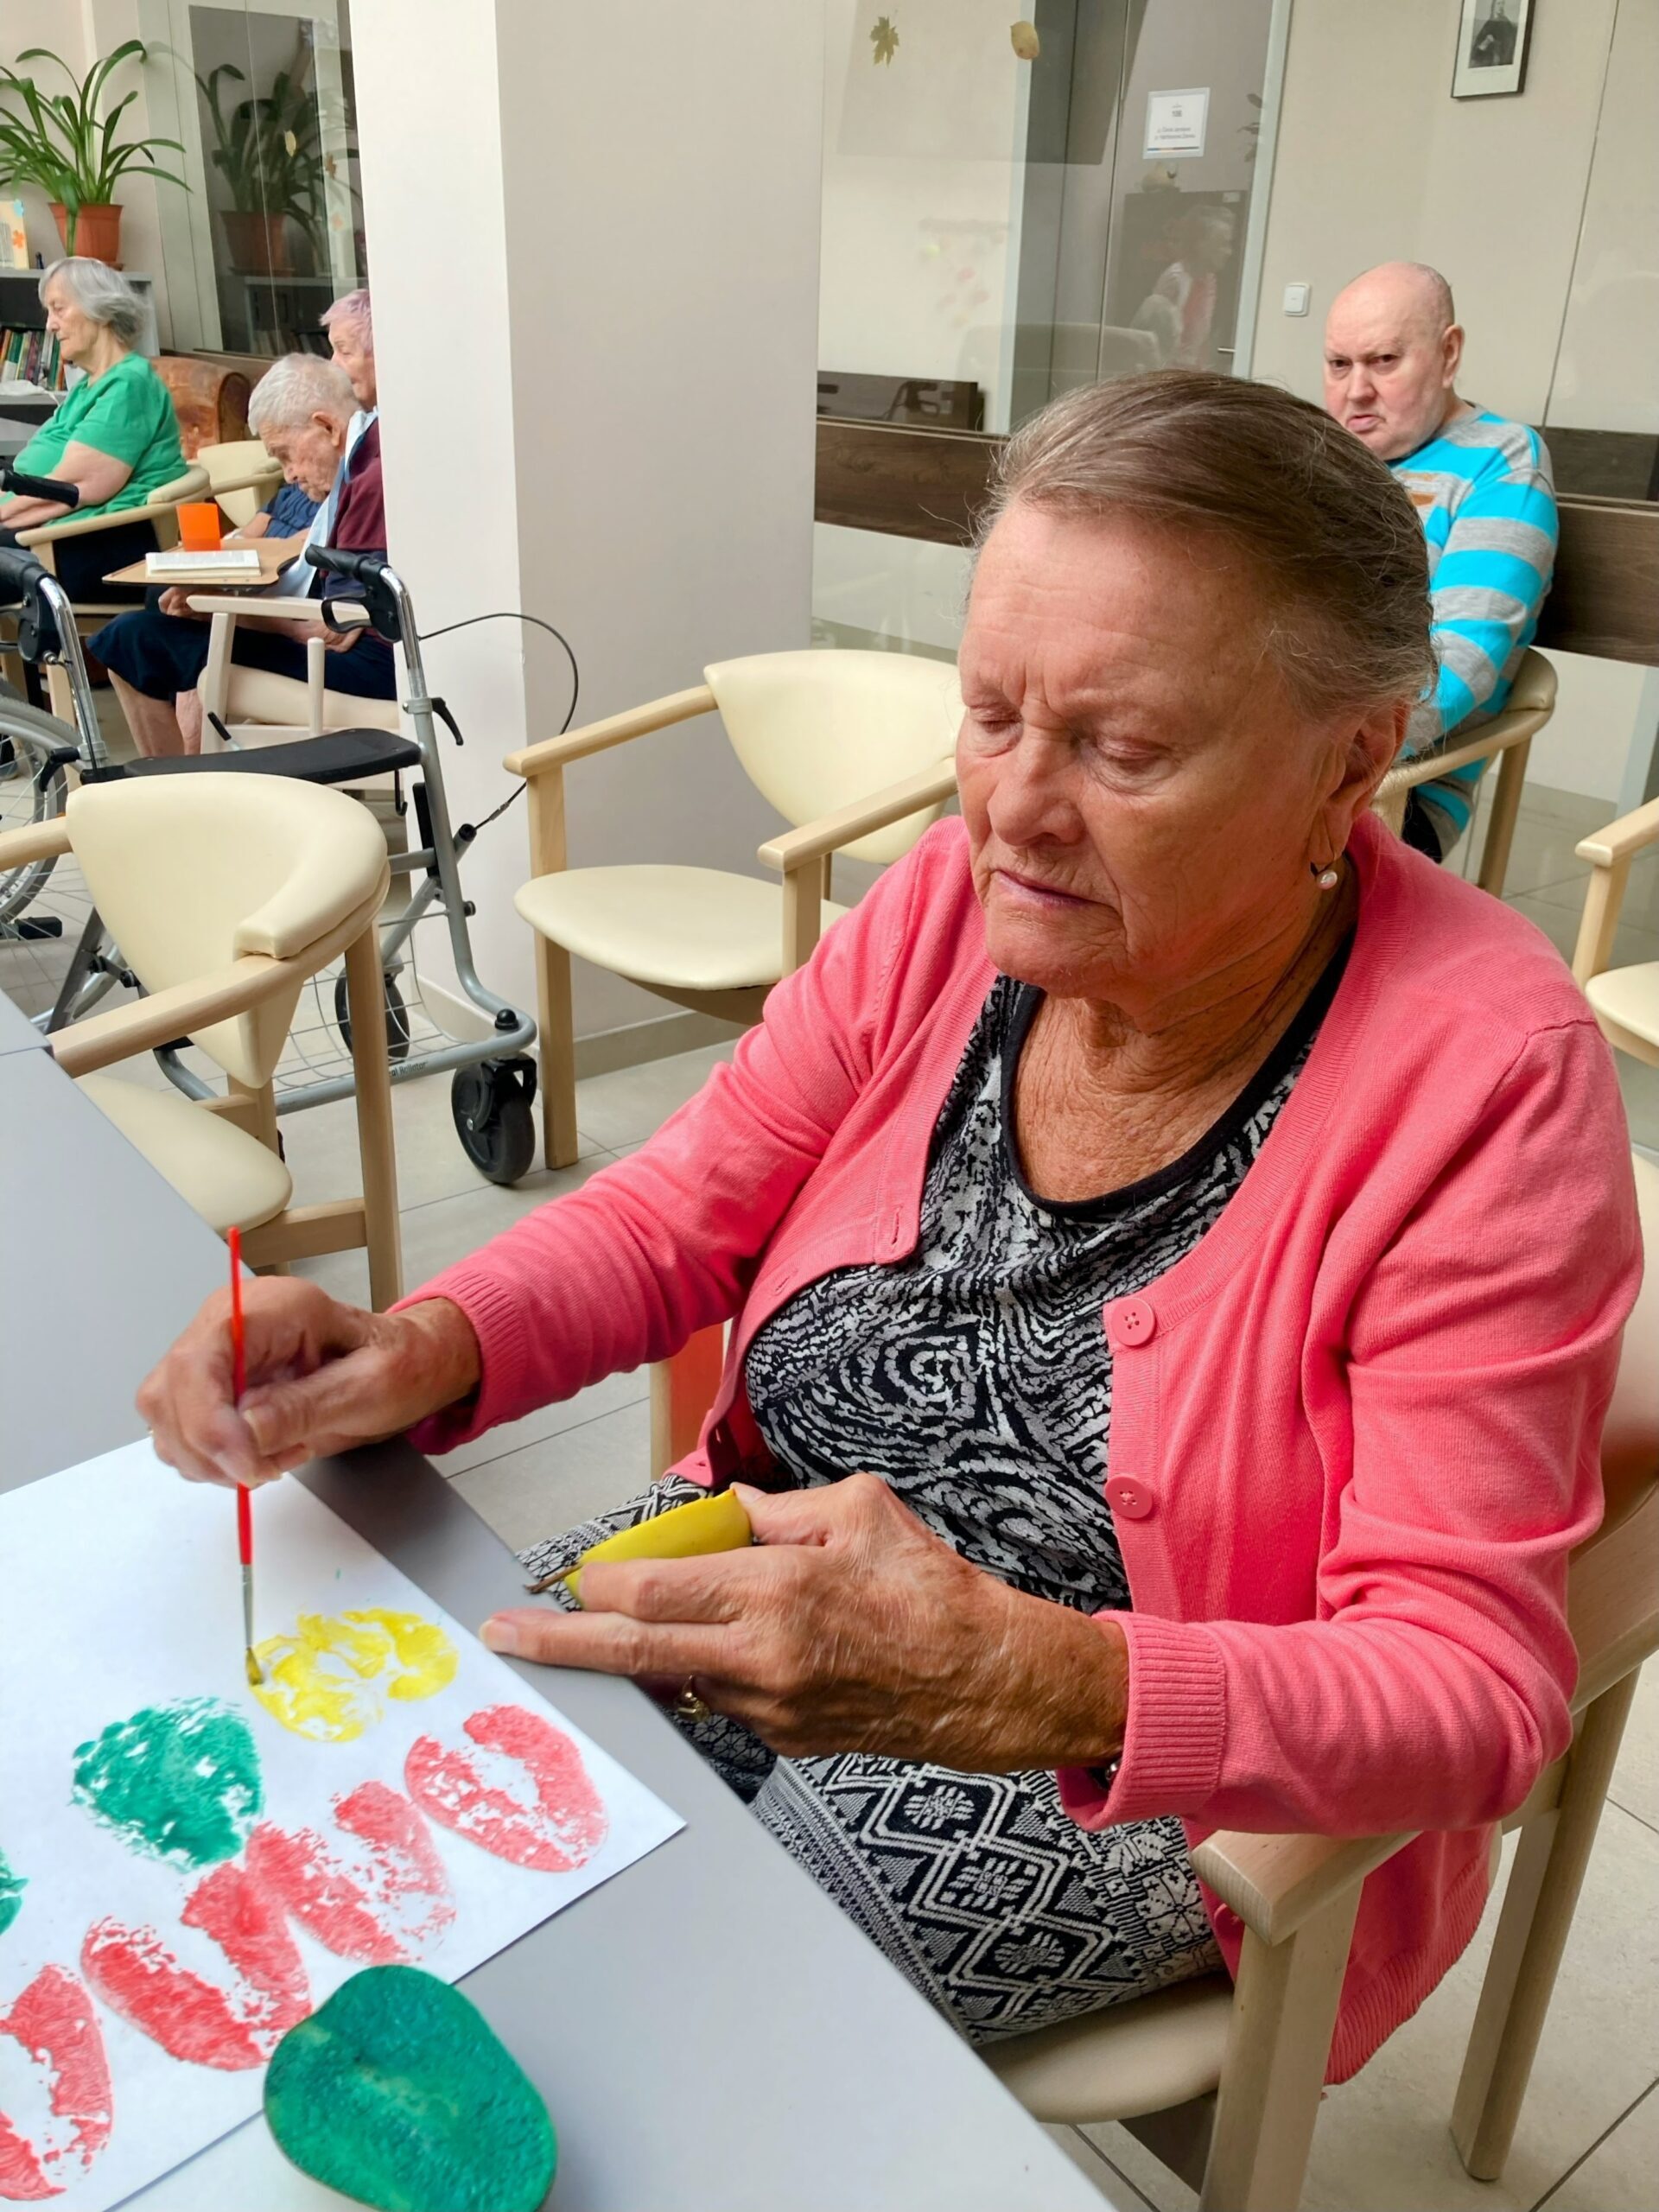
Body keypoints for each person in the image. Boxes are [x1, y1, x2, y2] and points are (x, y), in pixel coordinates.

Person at [141, 372, 1639, 2073]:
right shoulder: (952, 904)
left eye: (1122, 747)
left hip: (1137, 1731)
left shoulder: (1487, 1078)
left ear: (1348, 761)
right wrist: (418, 1343)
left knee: (641, 2028)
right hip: (788, 1550)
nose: (1014, 807)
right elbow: (677, 1213)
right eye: (990, 714)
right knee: (379, 1821)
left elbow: (1472, 1687)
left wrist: (1039, 1676)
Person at [1323, 260, 1557, 861]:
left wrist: (1311, 756)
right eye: (1339, 365)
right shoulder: (1319, 455)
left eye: (1384, 361)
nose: (1356, 391)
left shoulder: (1501, 462)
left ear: (1448, 354)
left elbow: (1462, 661)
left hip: (1392, 794)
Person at [91, 353, 391, 759]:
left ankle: (175, 789)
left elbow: (335, 628)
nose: (288, 474)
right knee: (145, 630)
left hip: (368, 669)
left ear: (327, 427)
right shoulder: (370, 455)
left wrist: (220, 610)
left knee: (132, 639)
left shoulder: (368, 480)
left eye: (285, 454)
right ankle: (185, 780)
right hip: (371, 652)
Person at [0, 258, 185, 607]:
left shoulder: (129, 384)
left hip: (93, 544)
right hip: (54, 535)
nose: (50, 325)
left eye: (59, 309)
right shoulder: (89, 387)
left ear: (99, 309)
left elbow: (71, 489)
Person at [1132, 206, 1236, 369]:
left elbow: (1202, 339)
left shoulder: (1209, 280)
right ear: (1201, 243)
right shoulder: (1175, 279)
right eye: (1222, 244)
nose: (1229, 252)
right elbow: (1154, 344)